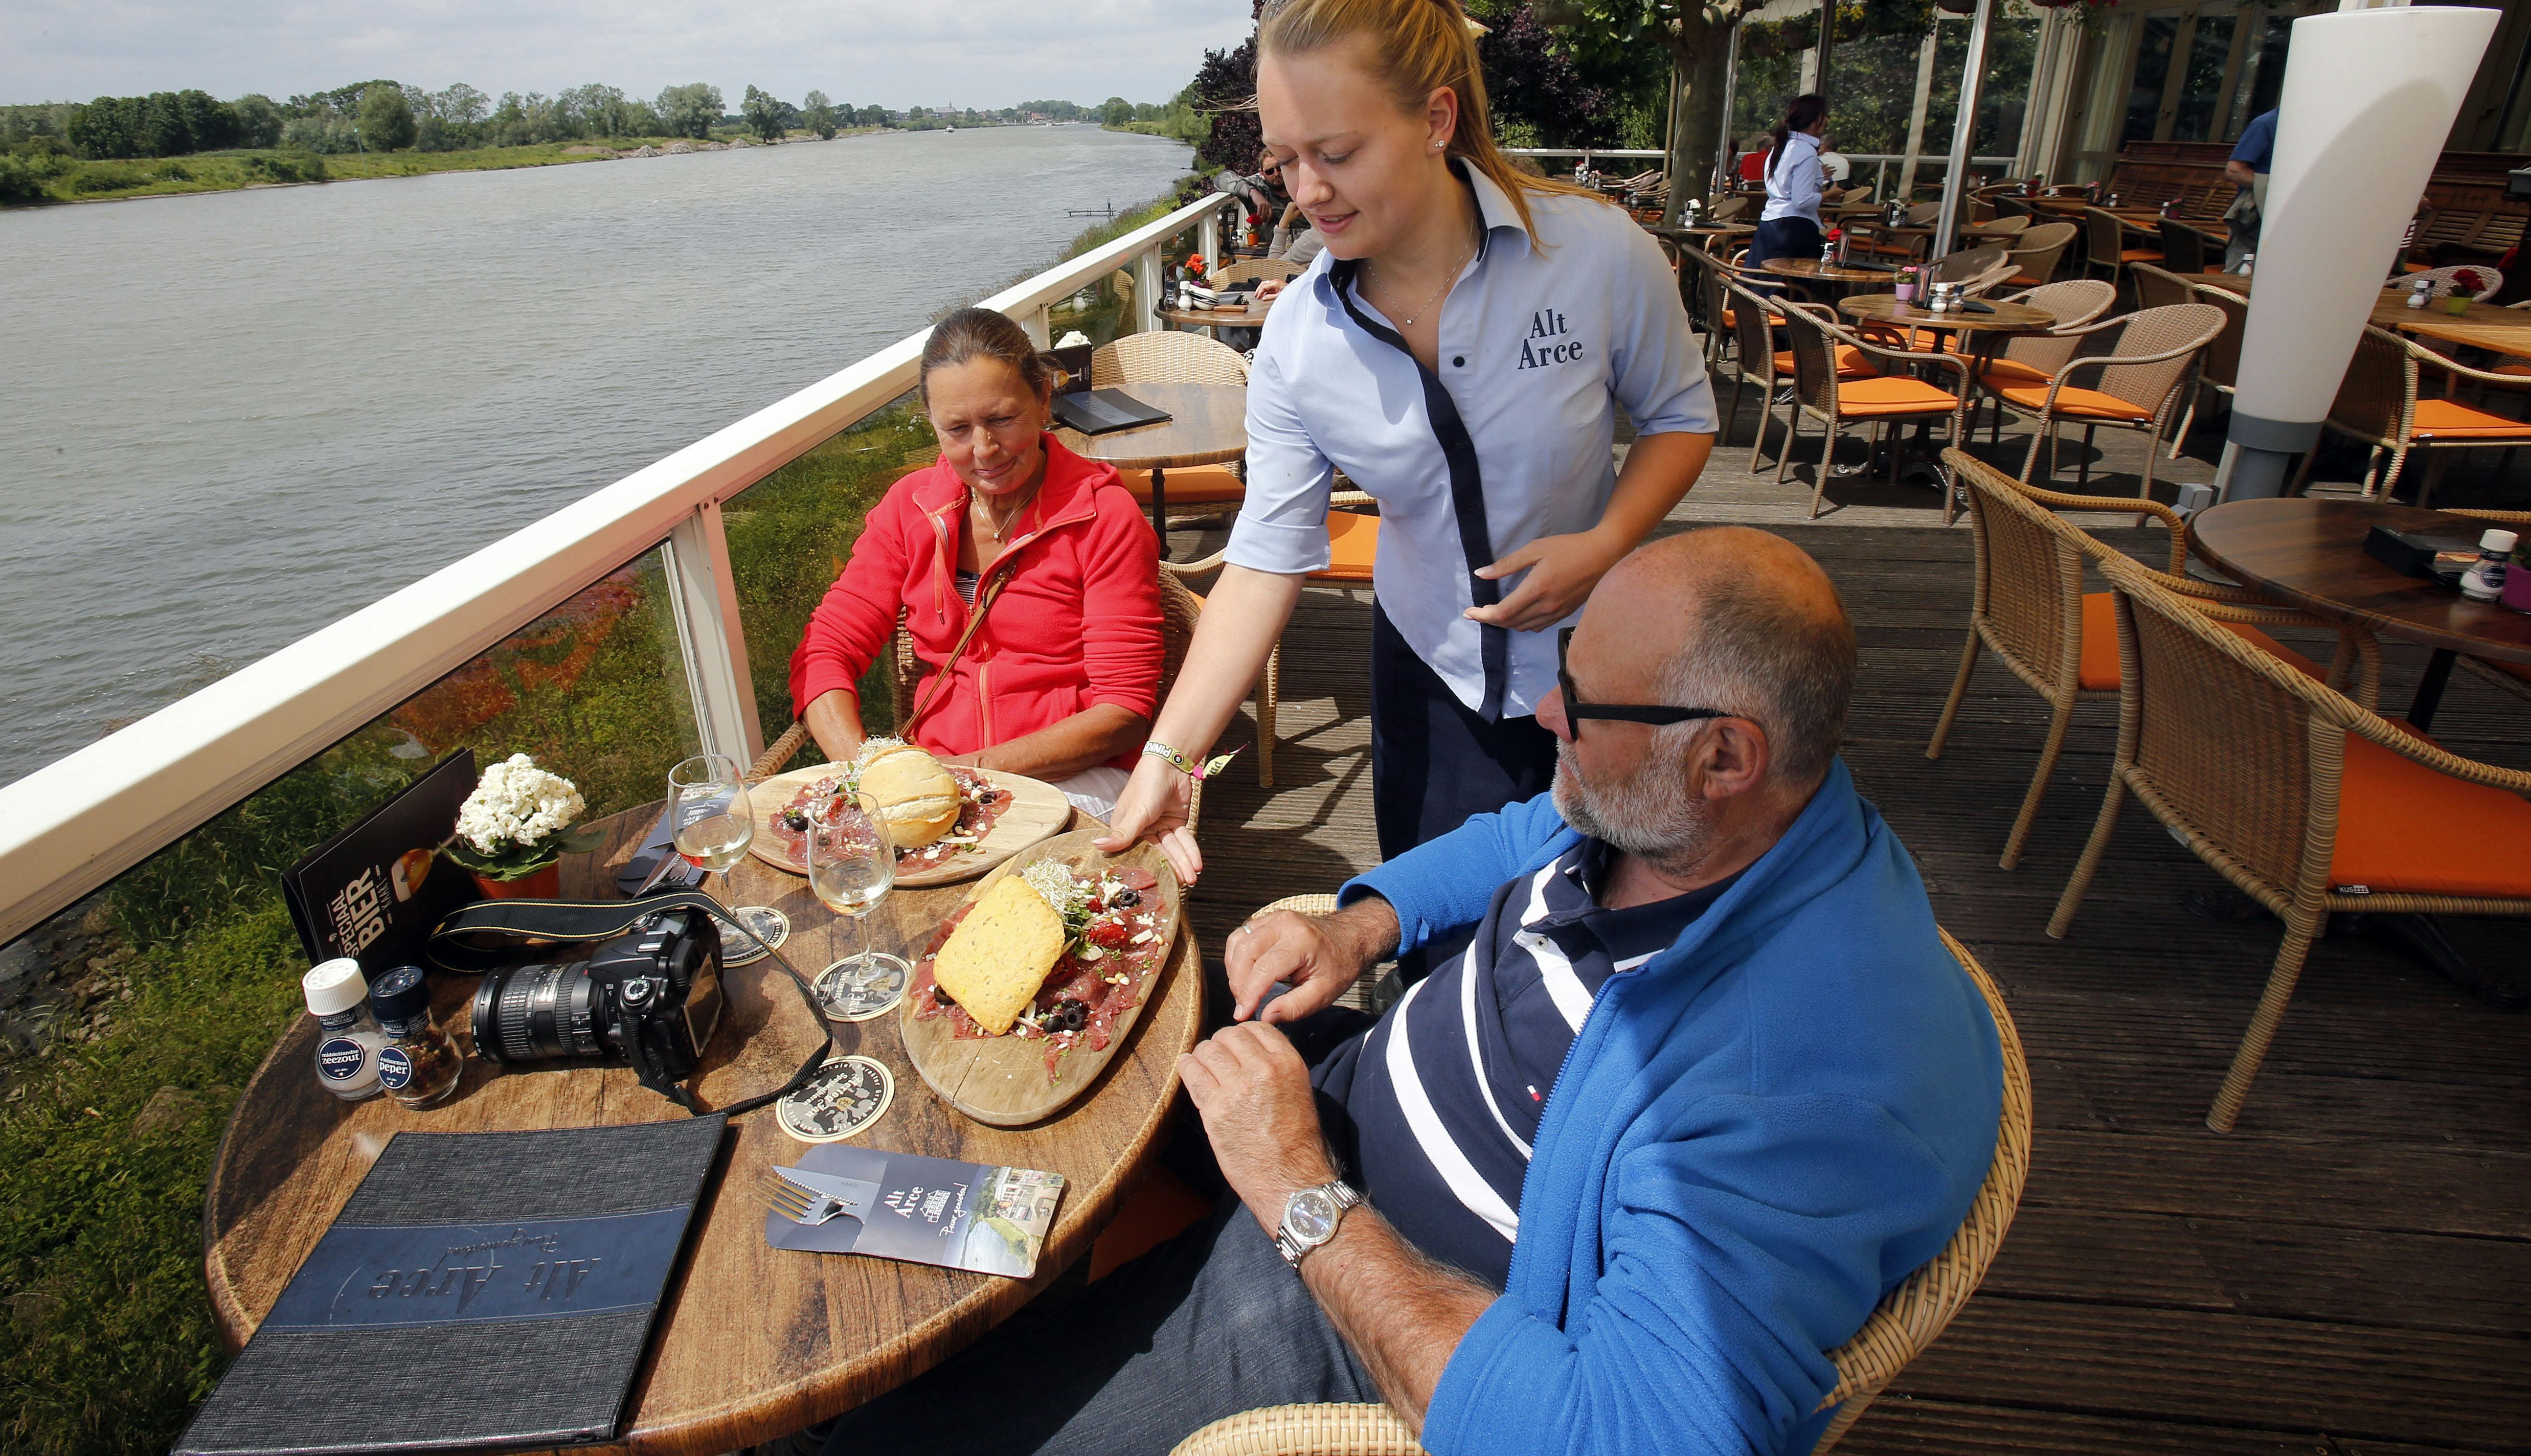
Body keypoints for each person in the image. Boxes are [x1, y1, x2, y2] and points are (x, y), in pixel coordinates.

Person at [822, 528, 2005, 1456]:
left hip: (1377, 1278)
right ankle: (911, 1273)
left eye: (1579, 704)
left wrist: (1298, 1192)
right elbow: (1516, 831)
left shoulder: (1793, 1083)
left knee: (903, 1439)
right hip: (1333, 1086)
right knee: (999, 1109)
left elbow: (1624, 1432)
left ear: (1727, 752)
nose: (1545, 715)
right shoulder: (1699, 810)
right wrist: (1356, 925)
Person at [1107, 0, 1718, 875]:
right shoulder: (1298, 337)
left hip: (1601, 667)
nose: (1305, 191)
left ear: (1434, 121)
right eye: (1282, 160)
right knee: (1433, 924)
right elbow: (1266, 551)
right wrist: (1169, 756)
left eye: (1337, 152)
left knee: (1602, 917)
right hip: (1429, 672)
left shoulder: (1593, 253)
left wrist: (1604, 541)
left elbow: (1678, 416)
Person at [792, 308, 1163, 819]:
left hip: (1075, 777)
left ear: (1044, 400)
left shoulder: (1103, 516)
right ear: (932, 423)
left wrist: (965, 775)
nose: (984, 450)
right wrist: (866, 774)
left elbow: (1122, 711)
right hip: (939, 778)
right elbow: (826, 650)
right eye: (958, 429)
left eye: (1002, 420)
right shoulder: (910, 508)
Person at [1744, 94, 1830, 271]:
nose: (1827, 120)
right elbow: (1802, 201)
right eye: (1824, 115)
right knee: (1792, 289)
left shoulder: (1782, 146)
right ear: (1814, 122)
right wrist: (1829, 195)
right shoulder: (1806, 151)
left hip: (1770, 222)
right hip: (1793, 229)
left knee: (1761, 282)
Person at [2223, 107, 2277, 270]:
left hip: (2283, 223)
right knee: (2236, 284)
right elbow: (2234, 170)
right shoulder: (2266, 124)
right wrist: (2275, 190)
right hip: (2252, 223)